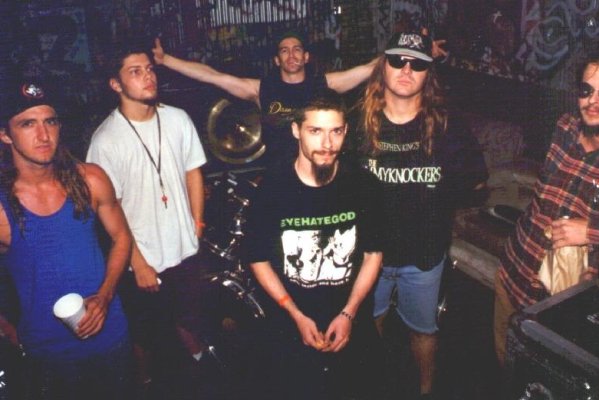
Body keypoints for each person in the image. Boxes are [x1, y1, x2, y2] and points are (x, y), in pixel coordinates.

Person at [352, 31, 488, 399]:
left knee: (424, 330)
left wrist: (435, 197)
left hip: (424, 255)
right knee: (368, 324)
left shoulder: (447, 125)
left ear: (429, 74)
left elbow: (476, 180)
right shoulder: (357, 122)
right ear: (383, 66)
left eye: (417, 64)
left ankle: (426, 391)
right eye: (398, 60)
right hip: (368, 255)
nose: (406, 70)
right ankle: (374, 386)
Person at [244, 92, 384, 400]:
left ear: (346, 132)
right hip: (289, 321)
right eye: (315, 131)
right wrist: (295, 314)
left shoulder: (363, 184)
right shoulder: (273, 187)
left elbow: (373, 254)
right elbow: (258, 259)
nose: (327, 143)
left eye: (336, 131)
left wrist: (348, 313)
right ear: (296, 130)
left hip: (350, 317)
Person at [86, 44, 208, 394]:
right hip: (141, 257)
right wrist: (138, 262)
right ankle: (143, 384)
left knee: (189, 316)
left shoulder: (178, 118)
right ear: (116, 84)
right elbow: (111, 209)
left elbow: (193, 172)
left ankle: (201, 368)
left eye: (150, 69)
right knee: (146, 334)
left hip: (185, 247)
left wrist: (197, 225)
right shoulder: (106, 140)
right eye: (135, 72)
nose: (148, 77)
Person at [0, 81, 133, 399]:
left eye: (50, 121)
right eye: (28, 124)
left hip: (112, 338)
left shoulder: (90, 179)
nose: (43, 135)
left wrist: (104, 296)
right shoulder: (3, 207)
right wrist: (5, 328)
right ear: (5, 135)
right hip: (48, 356)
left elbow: (121, 237)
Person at [494, 54, 599, 366]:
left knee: (543, 377)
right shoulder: (565, 127)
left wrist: (591, 230)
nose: (593, 101)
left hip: (563, 300)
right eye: (587, 90)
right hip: (515, 271)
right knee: (505, 366)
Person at [152, 32, 379, 164]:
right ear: (277, 60)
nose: (291, 54)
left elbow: (368, 69)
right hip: (279, 178)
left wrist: (399, 49)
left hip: (320, 172)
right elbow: (212, 76)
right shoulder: (261, 89)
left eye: (297, 49)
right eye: (284, 50)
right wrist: (166, 60)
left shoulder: (324, 84)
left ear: (306, 57)